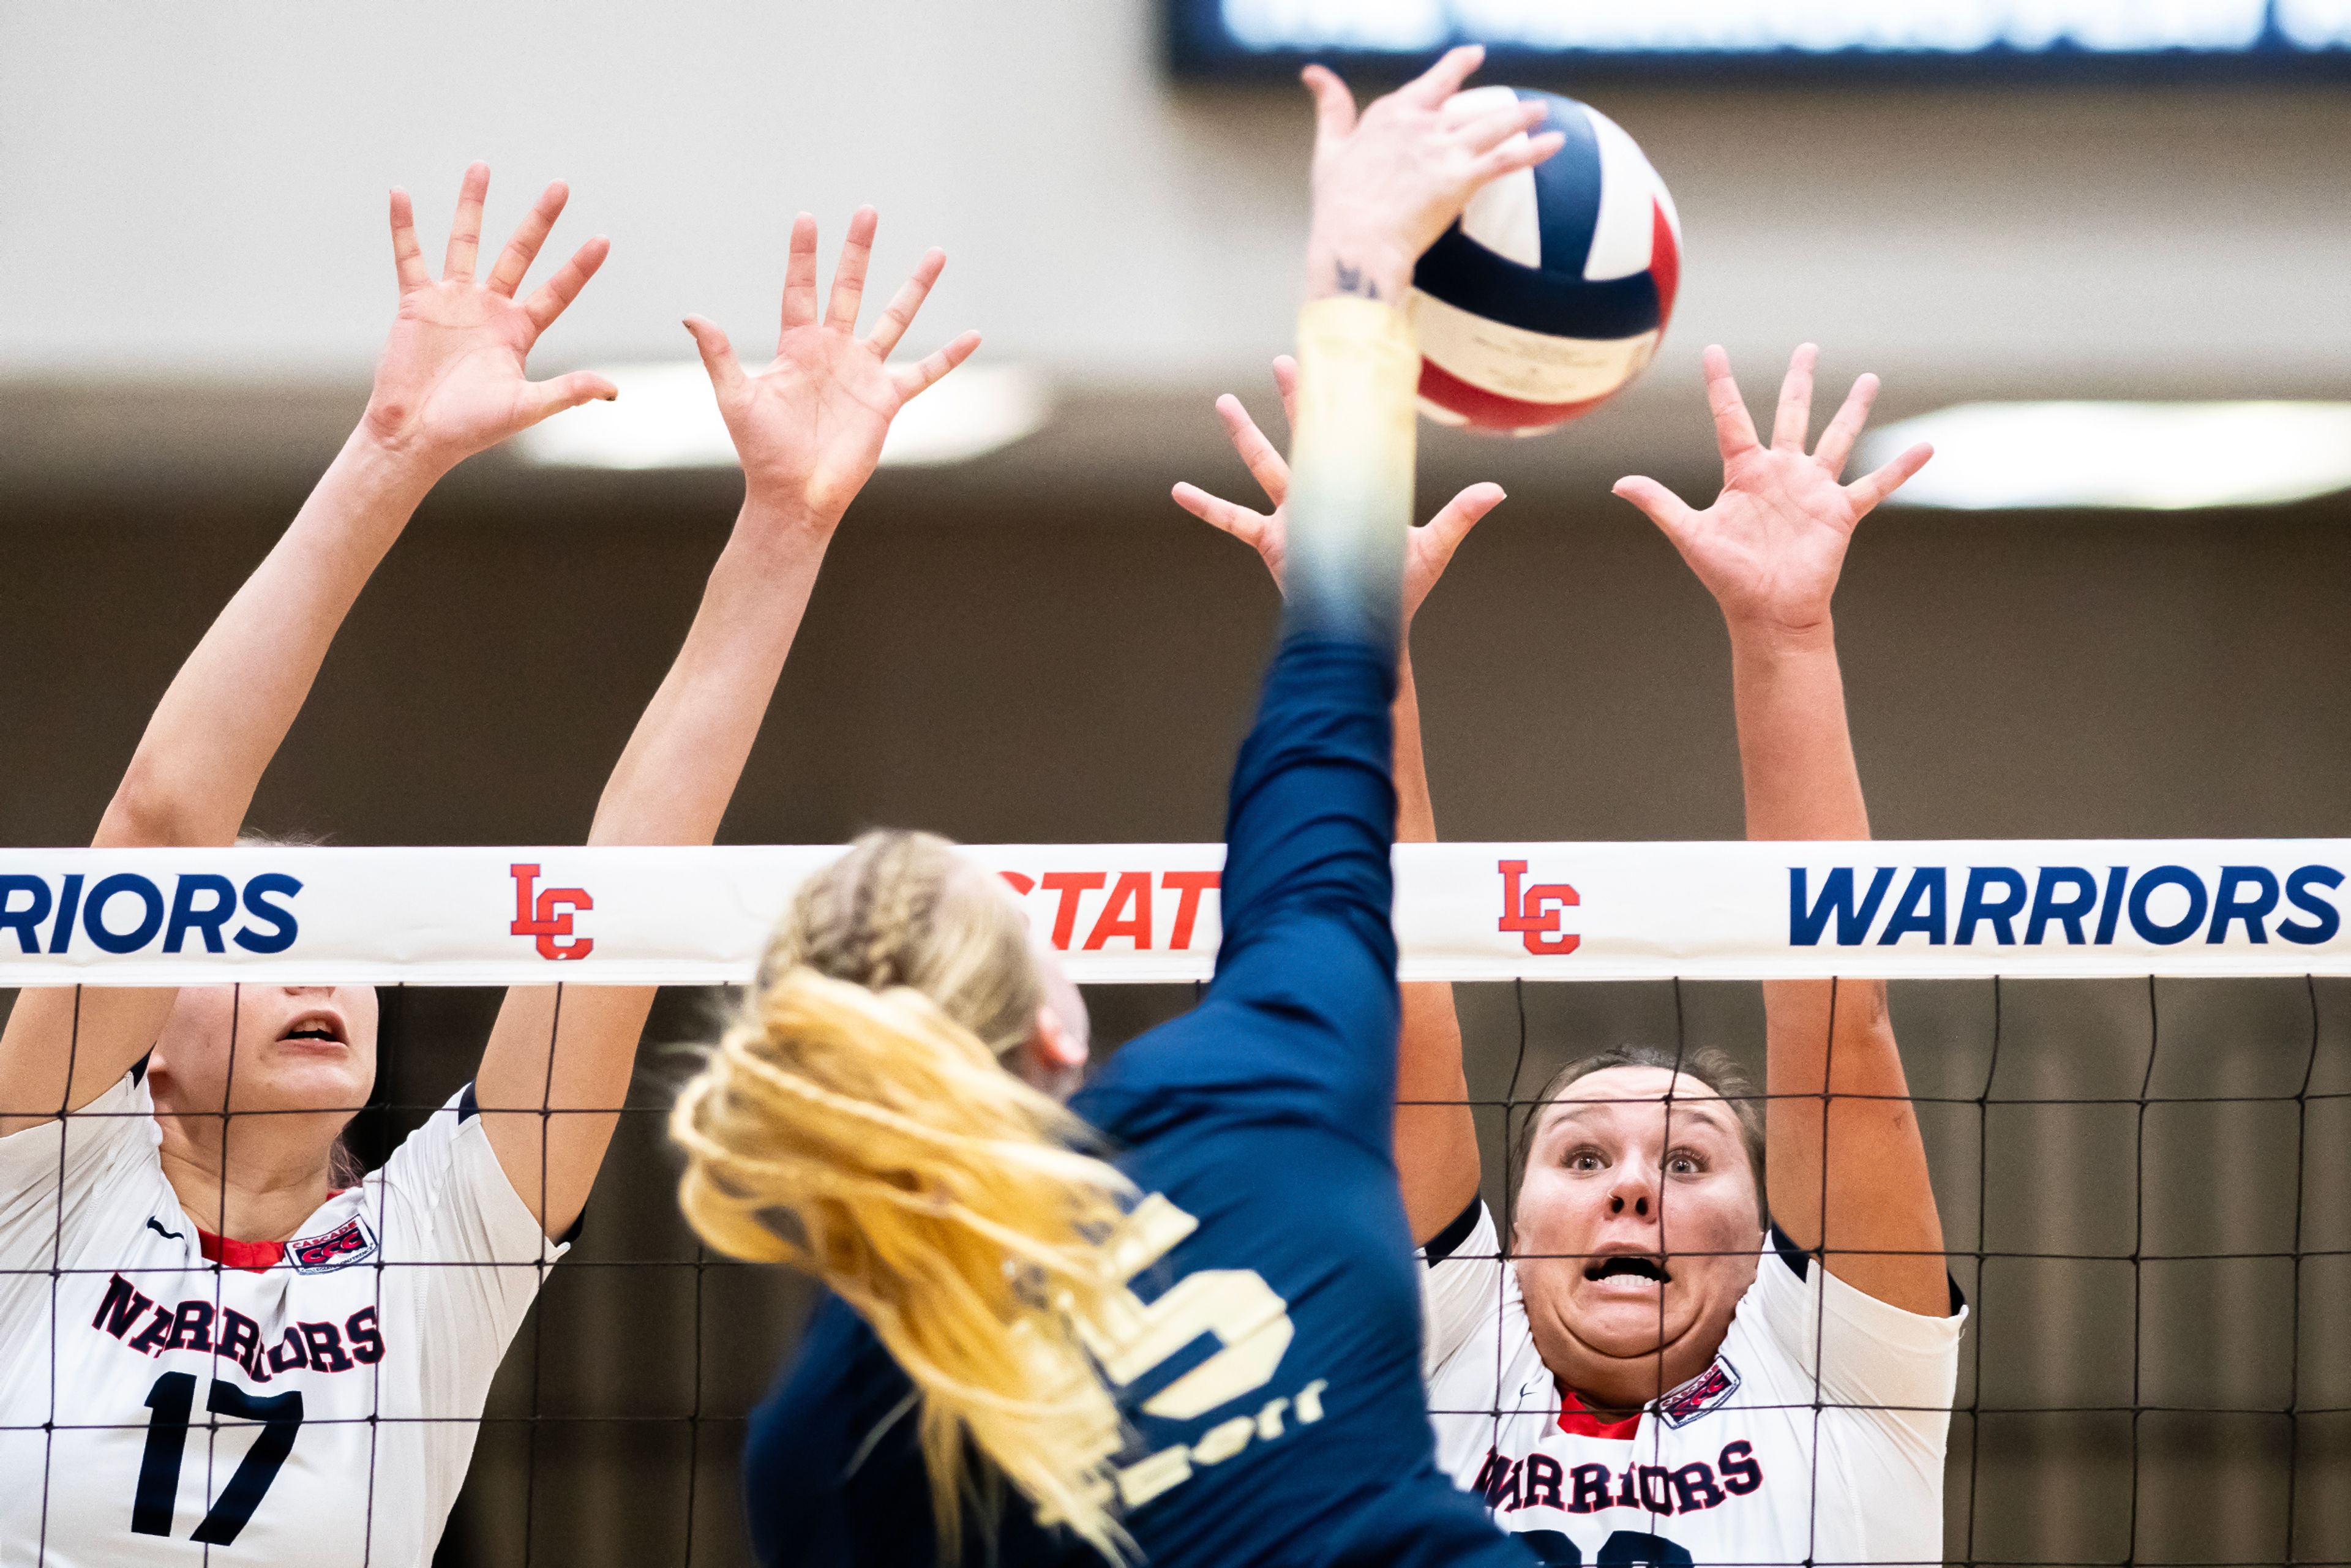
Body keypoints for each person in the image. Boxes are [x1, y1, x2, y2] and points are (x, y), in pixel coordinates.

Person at [0, 165, 975, 1566]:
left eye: (341, 945)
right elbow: (161, 828)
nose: (318, 972)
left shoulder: (439, 1243)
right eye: (260, 945)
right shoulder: (51, 1181)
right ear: (149, 1043)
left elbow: (630, 888)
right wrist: (391, 449)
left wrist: (788, 526)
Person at [670, 46, 1567, 1568]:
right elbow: (1332, 689)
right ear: (1060, 1033)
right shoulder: (1262, 1079)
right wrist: (1356, 266)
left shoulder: (820, 1443)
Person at [1190, 339, 1957, 1566]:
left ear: (1771, 1243)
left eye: (1692, 1160)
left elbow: (1836, 1011)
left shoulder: (1844, 1379)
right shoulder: (1438, 1350)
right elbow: (1389, 977)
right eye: (1583, 1152)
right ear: (1515, 1223)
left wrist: (1787, 634)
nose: (1632, 1186)